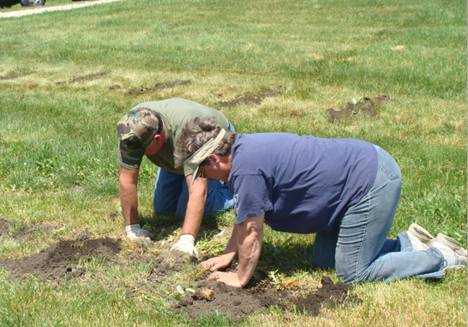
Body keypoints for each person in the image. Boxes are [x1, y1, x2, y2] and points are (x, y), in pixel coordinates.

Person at [174, 117, 467, 287]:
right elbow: (246, 214)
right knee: (324, 259)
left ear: (213, 158)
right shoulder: (243, 151)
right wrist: (228, 255)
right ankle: (410, 243)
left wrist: (239, 278)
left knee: (353, 272)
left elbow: (252, 230)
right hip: (351, 181)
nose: (203, 178)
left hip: (369, 182)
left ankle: (442, 257)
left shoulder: (247, 169)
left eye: (202, 170)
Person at [116, 98, 234, 257]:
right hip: (175, 155)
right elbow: (127, 180)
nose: (138, 155)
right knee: (164, 210)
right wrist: (133, 228)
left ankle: (233, 193)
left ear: (158, 139)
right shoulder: (133, 129)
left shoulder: (193, 132)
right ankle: (182, 171)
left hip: (212, 140)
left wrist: (186, 240)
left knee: (183, 211)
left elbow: (198, 191)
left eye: (143, 150)